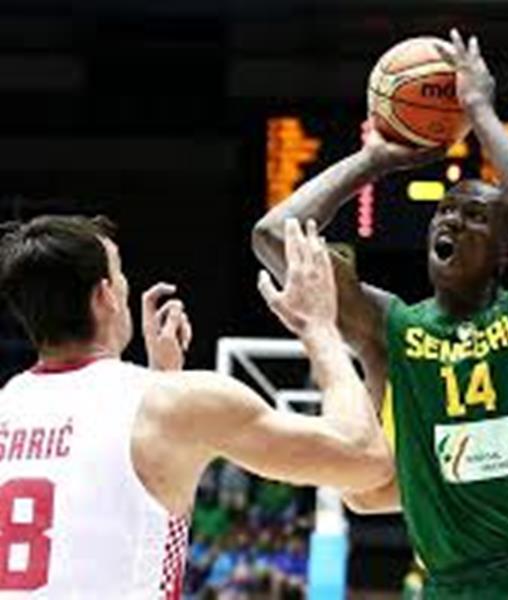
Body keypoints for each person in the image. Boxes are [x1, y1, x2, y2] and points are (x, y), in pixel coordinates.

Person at [254, 28, 508, 599]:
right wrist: (373, 159)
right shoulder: (392, 325)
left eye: (473, 217)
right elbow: (274, 237)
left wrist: (480, 112)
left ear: (505, 252)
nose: (449, 220)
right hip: (451, 585)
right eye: (444, 211)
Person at [0, 215, 392, 597]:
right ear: (105, 296)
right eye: (120, 277)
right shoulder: (171, 407)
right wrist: (319, 328)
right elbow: (365, 457)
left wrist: (160, 379)